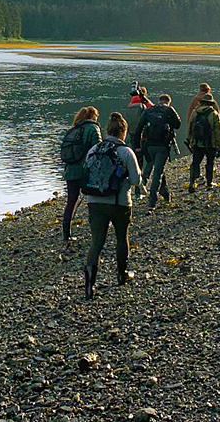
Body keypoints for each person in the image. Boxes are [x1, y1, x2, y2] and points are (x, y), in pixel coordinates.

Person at [83, 112, 141, 299]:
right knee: (121, 237)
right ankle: (121, 275)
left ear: (108, 130)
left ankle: (90, 286)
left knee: (97, 242)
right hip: (119, 202)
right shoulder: (125, 152)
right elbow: (135, 180)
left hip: (94, 202)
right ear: (123, 132)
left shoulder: (93, 150)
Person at [60, 106, 102, 247]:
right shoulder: (93, 129)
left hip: (70, 171)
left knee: (71, 202)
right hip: (85, 171)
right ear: (93, 116)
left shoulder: (73, 129)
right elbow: (98, 149)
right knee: (93, 200)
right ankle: (96, 232)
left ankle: (67, 234)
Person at [132, 93, 181, 212]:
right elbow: (178, 125)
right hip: (162, 146)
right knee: (157, 173)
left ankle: (164, 193)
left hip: (148, 146)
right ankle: (152, 202)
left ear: (159, 101)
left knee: (156, 168)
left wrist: (137, 146)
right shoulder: (169, 110)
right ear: (168, 102)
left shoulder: (149, 111)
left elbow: (138, 129)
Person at [187, 94, 220, 191]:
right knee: (210, 163)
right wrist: (218, 144)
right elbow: (218, 130)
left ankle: (192, 182)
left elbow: (190, 127)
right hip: (210, 143)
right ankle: (209, 183)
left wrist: (190, 140)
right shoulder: (214, 113)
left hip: (197, 142)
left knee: (195, 163)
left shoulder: (195, 112)